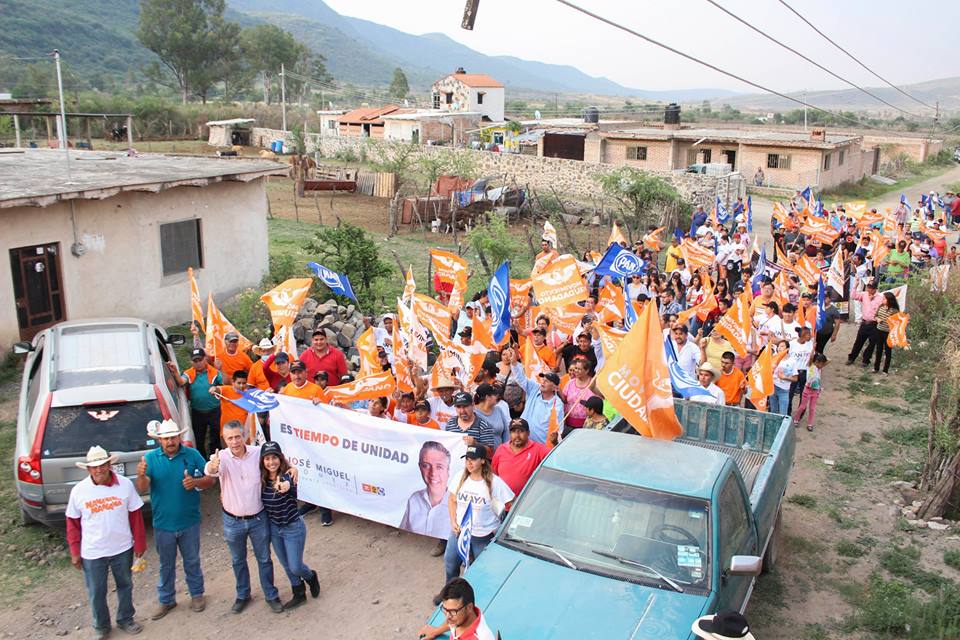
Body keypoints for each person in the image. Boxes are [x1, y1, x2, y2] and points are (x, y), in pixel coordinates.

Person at [135, 420, 213, 620]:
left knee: (192, 561)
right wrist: (141, 476)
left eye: (173, 437)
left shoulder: (192, 455)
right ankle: (166, 600)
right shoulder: (150, 459)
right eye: (166, 438)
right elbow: (142, 489)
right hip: (163, 524)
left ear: (179, 437)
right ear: (159, 440)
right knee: (165, 565)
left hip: (189, 521)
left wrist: (195, 482)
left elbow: (211, 480)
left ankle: (197, 595)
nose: (170, 441)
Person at [66, 446, 147, 639]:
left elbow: (135, 516)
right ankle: (101, 627)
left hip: (122, 547)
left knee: (125, 585)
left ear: (109, 464)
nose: (99, 470)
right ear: (88, 469)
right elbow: (72, 524)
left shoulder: (125, 485)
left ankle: (126, 618)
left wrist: (140, 545)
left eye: (102, 465)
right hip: (93, 552)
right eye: (94, 467)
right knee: (96, 592)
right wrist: (75, 551)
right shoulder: (79, 491)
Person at [204, 421, 283, 614]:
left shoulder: (258, 453)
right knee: (238, 560)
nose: (234, 442)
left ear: (244, 435)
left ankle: (271, 595)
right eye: (230, 438)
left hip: (258, 517)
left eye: (237, 437)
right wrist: (213, 466)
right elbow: (210, 470)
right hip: (233, 520)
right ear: (224, 439)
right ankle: (242, 595)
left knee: (264, 559)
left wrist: (293, 470)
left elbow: (279, 463)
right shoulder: (220, 457)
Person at [441, 446, 514, 587]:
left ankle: (480, 596)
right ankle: (450, 593)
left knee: (482, 571)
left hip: (483, 534)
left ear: (482, 461)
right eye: (467, 459)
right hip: (460, 532)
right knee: (450, 563)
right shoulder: (460, 477)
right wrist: (453, 521)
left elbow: (512, 502)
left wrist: (502, 521)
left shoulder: (494, 482)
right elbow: (451, 499)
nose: (469, 463)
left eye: (473, 459)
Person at [259, 441, 319, 610]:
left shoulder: (288, 475)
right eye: (267, 458)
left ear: (281, 458)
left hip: (293, 527)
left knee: (296, 566)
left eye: (275, 458)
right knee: (286, 565)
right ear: (262, 461)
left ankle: (311, 576)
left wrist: (286, 485)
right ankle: (299, 593)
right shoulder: (261, 478)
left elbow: (290, 487)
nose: (271, 462)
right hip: (274, 528)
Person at [168, 347, 222, 459]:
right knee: (199, 438)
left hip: (215, 410)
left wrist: (220, 369)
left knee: (215, 437)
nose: (198, 363)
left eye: (200, 360)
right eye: (195, 361)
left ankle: (216, 459)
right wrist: (175, 372)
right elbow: (181, 382)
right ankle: (202, 461)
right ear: (191, 362)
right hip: (198, 412)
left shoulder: (214, 372)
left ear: (205, 359)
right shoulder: (189, 373)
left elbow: (226, 384)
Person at [501, 348, 564, 444]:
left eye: (547, 381)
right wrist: (514, 363)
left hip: (540, 446)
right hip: (522, 441)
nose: (543, 382)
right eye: (543, 379)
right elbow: (520, 378)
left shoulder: (558, 405)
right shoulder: (535, 388)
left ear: (555, 388)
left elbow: (558, 430)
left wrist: (555, 441)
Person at [400, 441, 453, 539]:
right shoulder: (414, 499)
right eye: (426, 465)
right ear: (420, 467)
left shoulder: (457, 504)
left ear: (448, 470)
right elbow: (404, 531)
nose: (433, 473)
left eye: (439, 467)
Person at [419, 578, 496, 640]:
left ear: (469, 607)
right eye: (445, 610)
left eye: (452, 611)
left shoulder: (481, 637)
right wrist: (435, 631)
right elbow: (450, 623)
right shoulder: (458, 619)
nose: (447, 617)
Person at [491, 418, 549, 498]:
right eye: (514, 432)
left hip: (525, 504)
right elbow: (494, 474)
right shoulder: (501, 449)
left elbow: (555, 457)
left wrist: (554, 443)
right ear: (510, 433)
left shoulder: (538, 449)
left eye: (521, 431)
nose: (517, 436)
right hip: (502, 504)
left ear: (528, 433)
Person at [445, 391, 497, 457]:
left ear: (473, 405)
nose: (462, 411)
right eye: (458, 407)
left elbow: (490, 453)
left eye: (465, 406)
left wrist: (475, 443)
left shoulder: (484, 426)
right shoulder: (450, 423)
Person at [209, 369, 251, 446]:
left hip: (244, 432)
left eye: (244, 383)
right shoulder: (226, 389)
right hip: (227, 432)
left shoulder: (249, 394)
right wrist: (214, 389)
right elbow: (218, 390)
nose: (241, 386)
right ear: (233, 382)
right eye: (239, 383)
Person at [847, 278, 883, 365]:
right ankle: (852, 358)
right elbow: (853, 296)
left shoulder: (880, 298)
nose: (868, 289)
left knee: (872, 344)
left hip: (874, 324)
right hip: (864, 322)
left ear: (875, 289)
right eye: (868, 287)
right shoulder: (864, 295)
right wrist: (855, 286)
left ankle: (866, 360)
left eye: (871, 287)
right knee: (858, 342)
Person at [863, 291, 900, 375]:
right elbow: (876, 315)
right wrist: (877, 319)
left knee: (887, 351)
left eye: (884, 298)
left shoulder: (895, 310)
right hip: (879, 330)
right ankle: (876, 368)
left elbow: (897, 322)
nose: (882, 300)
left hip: (888, 333)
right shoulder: (881, 306)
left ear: (889, 300)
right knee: (878, 349)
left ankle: (885, 370)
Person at [560, 358, 599, 434]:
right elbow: (564, 400)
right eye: (575, 368)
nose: (576, 371)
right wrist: (558, 389)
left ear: (587, 371)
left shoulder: (593, 384)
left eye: (579, 369)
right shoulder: (570, 383)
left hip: (587, 425)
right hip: (569, 424)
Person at [794, 353, 829, 432]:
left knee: (812, 408)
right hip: (807, 389)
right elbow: (810, 359)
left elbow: (828, 361)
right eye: (821, 364)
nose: (822, 365)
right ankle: (796, 419)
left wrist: (820, 356)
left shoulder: (819, 368)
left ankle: (810, 423)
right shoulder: (810, 366)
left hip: (815, 390)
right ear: (816, 362)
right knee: (802, 406)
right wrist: (813, 349)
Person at [787, 327, 815, 414]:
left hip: (804, 372)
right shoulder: (792, 344)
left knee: (803, 395)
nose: (810, 336)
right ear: (802, 335)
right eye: (808, 334)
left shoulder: (810, 344)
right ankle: (788, 412)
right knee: (789, 393)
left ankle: (800, 414)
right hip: (793, 372)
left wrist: (813, 351)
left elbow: (811, 362)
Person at [770, 341, 797, 415]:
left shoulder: (792, 361)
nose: (779, 348)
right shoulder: (773, 358)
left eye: (782, 346)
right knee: (773, 412)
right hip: (772, 388)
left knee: (783, 414)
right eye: (778, 346)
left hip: (784, 390)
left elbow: (795, 378)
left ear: (787, 349)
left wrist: (784, 377)